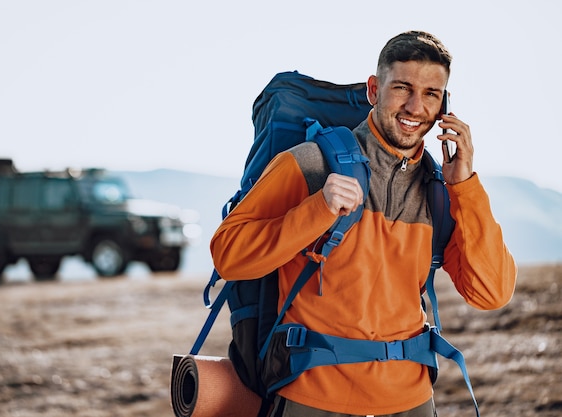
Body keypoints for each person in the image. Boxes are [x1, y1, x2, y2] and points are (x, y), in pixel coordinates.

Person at [210, 30, 517, 417]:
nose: (415, 106)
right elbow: (228, 257)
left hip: (411, 400)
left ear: (445, 105)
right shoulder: (310, 163)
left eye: (431, 94)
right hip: (314, 395)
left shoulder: (441, 192)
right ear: (374, 90)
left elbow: (492, 294)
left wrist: (466, 187)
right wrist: (318, 209)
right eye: (402, 87)